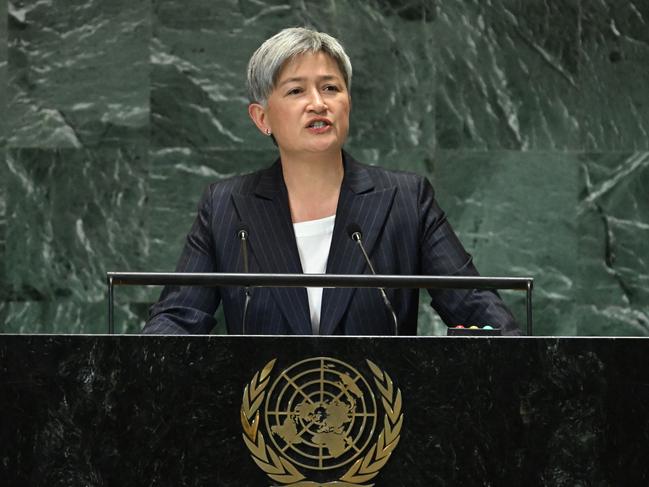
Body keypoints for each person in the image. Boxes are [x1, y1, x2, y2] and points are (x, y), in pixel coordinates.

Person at [143, 27, 520, 336]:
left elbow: (478, 308)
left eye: (330, 88)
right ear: (262, 118)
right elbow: (176, 319)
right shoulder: (226, 206)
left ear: (348, 103)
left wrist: (498, 345)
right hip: (261, 420)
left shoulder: (405, 200)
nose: (318, 103)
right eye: (295, 91)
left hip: (380, 418)